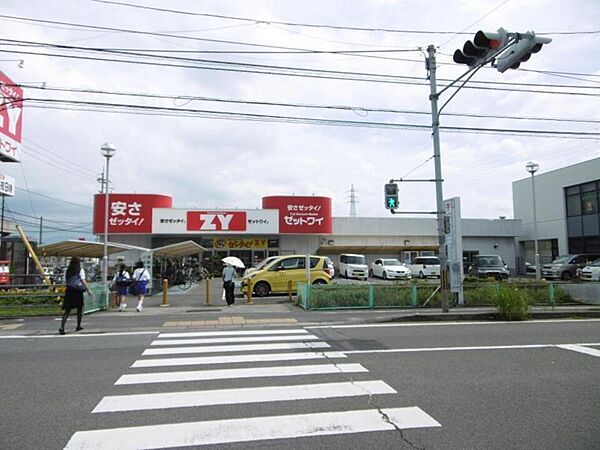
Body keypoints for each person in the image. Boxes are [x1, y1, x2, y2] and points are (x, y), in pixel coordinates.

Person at [59, 256, 91, 335]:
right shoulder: (80, 270)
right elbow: (83, 280)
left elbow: (64, 281)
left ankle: (62, 327)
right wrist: (88, 289)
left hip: (69, 291)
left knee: (67, 310)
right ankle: (78, 325)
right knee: (79, 309)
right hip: (78, 291)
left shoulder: (66, 270)